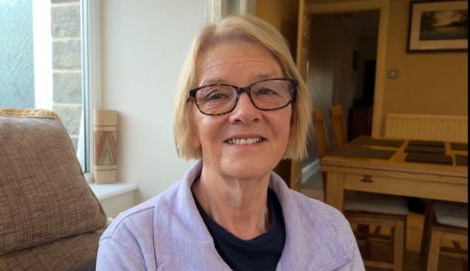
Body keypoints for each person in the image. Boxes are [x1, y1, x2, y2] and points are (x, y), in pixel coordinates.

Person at [96, 15, 364, 271]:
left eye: (267, 90)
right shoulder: (131, 245)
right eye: (216, 95)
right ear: (191, 124)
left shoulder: (333, 231)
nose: (245, 112)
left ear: (292, 116)